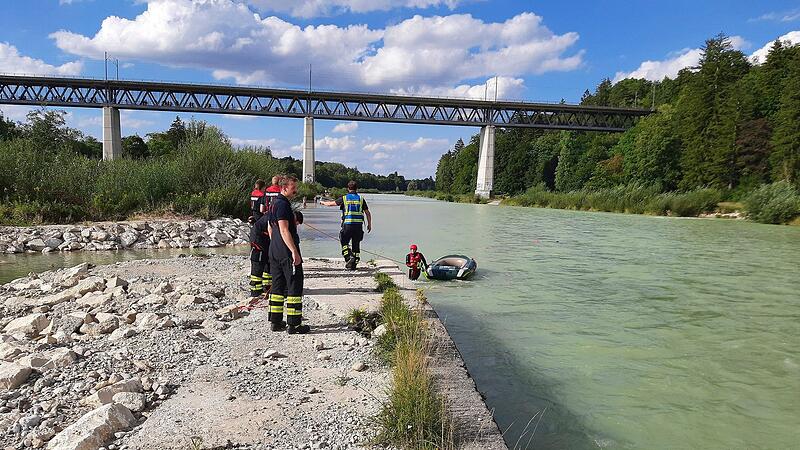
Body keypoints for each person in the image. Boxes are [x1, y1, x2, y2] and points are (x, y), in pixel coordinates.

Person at [266, 175, 309, 334]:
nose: (296, 191)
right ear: (284, 188)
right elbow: (284, 229)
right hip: (285, 251)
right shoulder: (283, 205)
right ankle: (294, 324)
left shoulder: (274, 204)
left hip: (275, 250)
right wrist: (293, 252)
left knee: (277, 286)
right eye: (293, 188)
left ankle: (276, 322)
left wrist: (275, 245)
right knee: (294, 285)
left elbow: (271, 228)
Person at [320, 180, 372, 270]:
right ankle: (354, 264)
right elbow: (368, 213)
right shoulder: (361, 199)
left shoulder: (344, 198)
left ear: (348, 189)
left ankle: (348, 257)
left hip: (347, 225)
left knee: (344, 242)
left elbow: (331, 204)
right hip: (358, 226)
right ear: (357, 189)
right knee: (356, 244)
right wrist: (369, 225)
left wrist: (323, 202)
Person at [247, 213, 271, 299]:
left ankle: (267, 286)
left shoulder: (274, 213)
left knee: (267, 260)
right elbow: (271, 230)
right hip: (258, 240)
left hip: (263, 239)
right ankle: (255, 291)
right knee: (258, 263)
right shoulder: (274, 216)